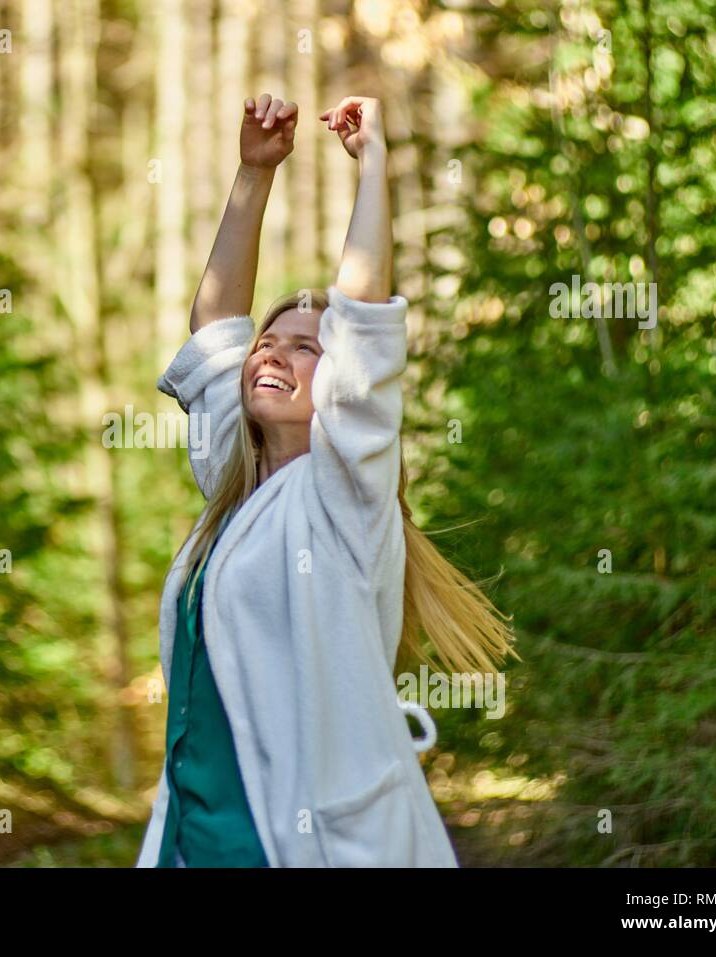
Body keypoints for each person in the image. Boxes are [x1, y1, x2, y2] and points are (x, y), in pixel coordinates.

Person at [138, 93, 518, 868]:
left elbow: (365, 316)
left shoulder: (346, 496)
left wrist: (373, 162)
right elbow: (215, 330)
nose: (271, 353)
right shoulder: (232, 491)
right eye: (268, 342)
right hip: (193, 844)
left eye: (306, 348)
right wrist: (253, 174)